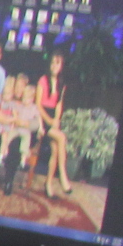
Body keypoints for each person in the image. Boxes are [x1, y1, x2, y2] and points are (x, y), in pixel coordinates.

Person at [37, 52, 74, 195]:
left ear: (61, 66)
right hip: (42, 117)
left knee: (55, 150)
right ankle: (63, 174)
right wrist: (49, 121)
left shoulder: (62, 83)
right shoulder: (43, 80)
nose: (54, 66)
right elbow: (38, 105)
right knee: (62, 138)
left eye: (57, 63)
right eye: (52, 62)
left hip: (54, 117)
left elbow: (59, 104)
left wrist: (57, 120)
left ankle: (48, 184)